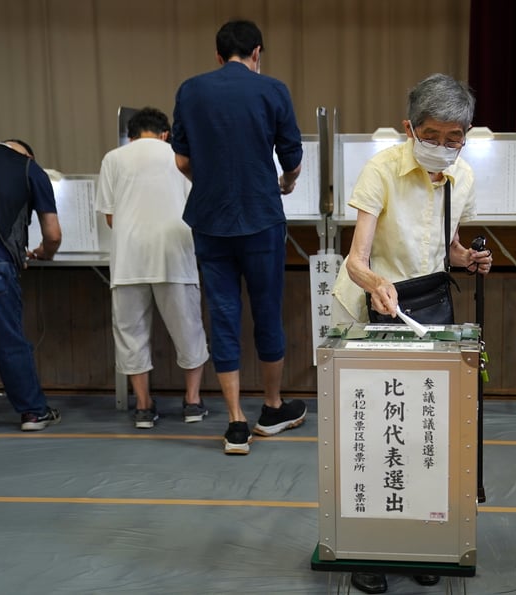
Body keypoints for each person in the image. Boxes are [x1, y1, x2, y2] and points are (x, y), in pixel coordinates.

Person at [330, 73, 493, 594]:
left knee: (429, 430)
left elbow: (445, 246)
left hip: (428, 310)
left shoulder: (463, 176)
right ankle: (370, 550)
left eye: (455, 137)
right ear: (410, 128)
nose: (444, 147)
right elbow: (356, 259)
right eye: (433, 135)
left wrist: (468, 258)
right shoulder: (381, 169)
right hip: (375, 307)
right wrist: (378, 282)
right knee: (375, 431)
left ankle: (425, 541)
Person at [171, 19, 307, 455]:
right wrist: (284, 183)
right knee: (267, 312)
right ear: (257, 52)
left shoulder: (190, 90)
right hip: (261, 217)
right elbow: (292, 157)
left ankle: (234, 423)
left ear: (217, 55)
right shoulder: (273, 90)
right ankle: (271, 407)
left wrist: (207, 179)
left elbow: (181, 160)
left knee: (224, 316)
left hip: (210, 221)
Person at [95, 107, 210, 429]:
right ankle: (192, 401)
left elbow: (110, 217)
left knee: (131, 333)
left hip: (128, 260)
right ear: (165, 133)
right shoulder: (181, 157)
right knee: (188, 329)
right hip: (174, 254)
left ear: (131, 134)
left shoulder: (113, 158)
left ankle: (144, 407)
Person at [0, 139, 62, 431]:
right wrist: (42, 252)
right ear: (28, 154)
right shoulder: (30, 170)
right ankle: (33, 413)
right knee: (9, 342)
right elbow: (53, 234)